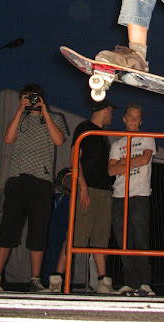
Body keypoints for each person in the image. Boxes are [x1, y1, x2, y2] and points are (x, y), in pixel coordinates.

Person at [0, 84, 67, 292]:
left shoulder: (54, 117)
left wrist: (45, 112)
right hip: (17, 180)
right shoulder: (19, 118)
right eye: (26, 98)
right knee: (8, 229)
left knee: (38, 232)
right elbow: (7, 138)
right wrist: (19, 110)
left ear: (42, 99)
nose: (30, 101)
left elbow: (59, 140)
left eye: (33, 98)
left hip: (42, 183)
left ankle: (34, 279)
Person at [49, 98, 115, 294]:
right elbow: (74, 158)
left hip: (104, 191)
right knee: (76, 235)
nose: (111, 115)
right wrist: (82, 186)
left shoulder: (103, 135)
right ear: (104, 110)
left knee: (101, 237)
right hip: (88, 190)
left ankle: (103, 282)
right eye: (110, 111)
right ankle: (57, 280)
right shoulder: (84, 128)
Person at [108, 102, 156, 296]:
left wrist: (123, 163)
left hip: (140, 195)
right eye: (130, 116)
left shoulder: (147, 138)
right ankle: (130, 281)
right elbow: (111, 170)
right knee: (123, 240)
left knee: (141, 239)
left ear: (140, 121)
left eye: (137, 117)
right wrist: (125, 164)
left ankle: (145, 282)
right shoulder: (117, 144)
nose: (133, 120)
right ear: (124, 118)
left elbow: (144, 159)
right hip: (119, 195)